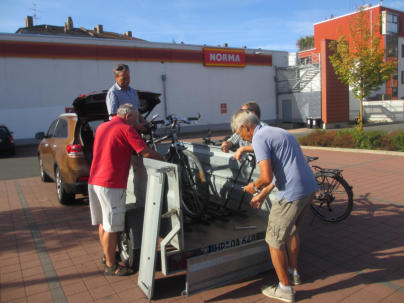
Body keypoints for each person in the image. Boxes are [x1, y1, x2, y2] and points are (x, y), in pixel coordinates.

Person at [231, 110, 318, 302]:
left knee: (274, 241)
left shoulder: (259, 138)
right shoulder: (276, 131)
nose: (242, 138)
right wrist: (263, 194)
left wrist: (253, 187)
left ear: (246, 127)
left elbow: (266, 177)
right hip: (308, 188)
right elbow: (282, 170)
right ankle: (293, 273)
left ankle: (285, 289)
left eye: (240, 134)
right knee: (292, 231)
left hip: (291, 194)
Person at [88, 103, 163, 276]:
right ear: (128, 116)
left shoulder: (103, 127)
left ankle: (107, 255)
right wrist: (163, 158)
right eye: (135, 119)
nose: (136, 123)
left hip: (94, 180)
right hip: (111, 183)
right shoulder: (126, 129)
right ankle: (111, 266)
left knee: (103, 223)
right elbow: (145, 153)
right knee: (112, 226)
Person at [106, 63, 148, 133]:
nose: (127, 81)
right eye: (124, 78)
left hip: (136, 131)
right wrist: (135, 125)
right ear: (116, 78)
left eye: (128, 77)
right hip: (123, 133)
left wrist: (145, 123)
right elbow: (114, 117)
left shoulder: (133, 92)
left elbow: (137, 112)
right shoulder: (113, 93)